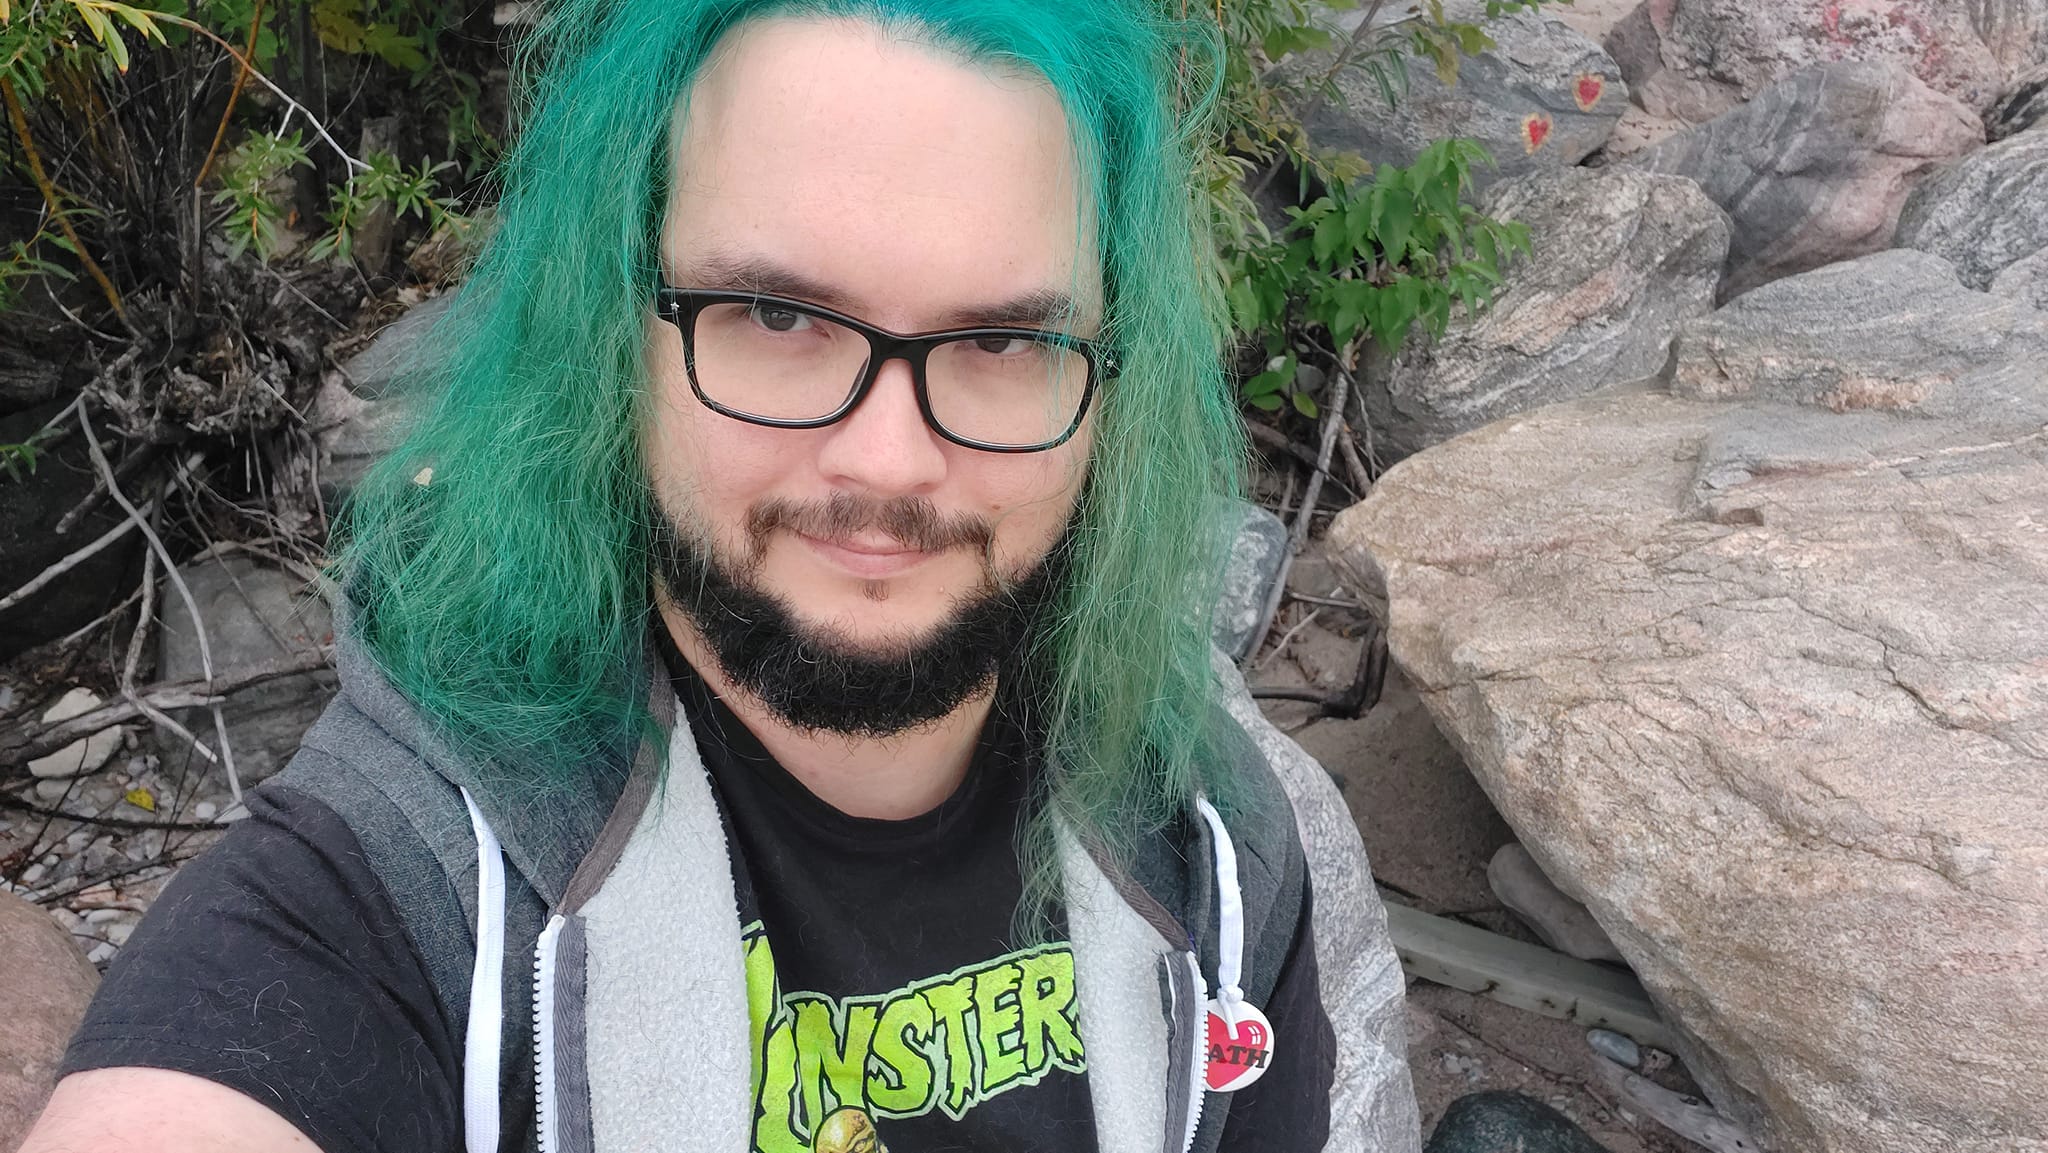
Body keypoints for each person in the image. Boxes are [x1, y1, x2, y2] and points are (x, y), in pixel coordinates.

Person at [18, 1, 1425, 1151]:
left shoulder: (1215, 855)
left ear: (1108, 386)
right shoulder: (409, 889)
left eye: (1002, 343)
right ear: (612, 329)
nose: (890, 459)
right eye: (773, 315)